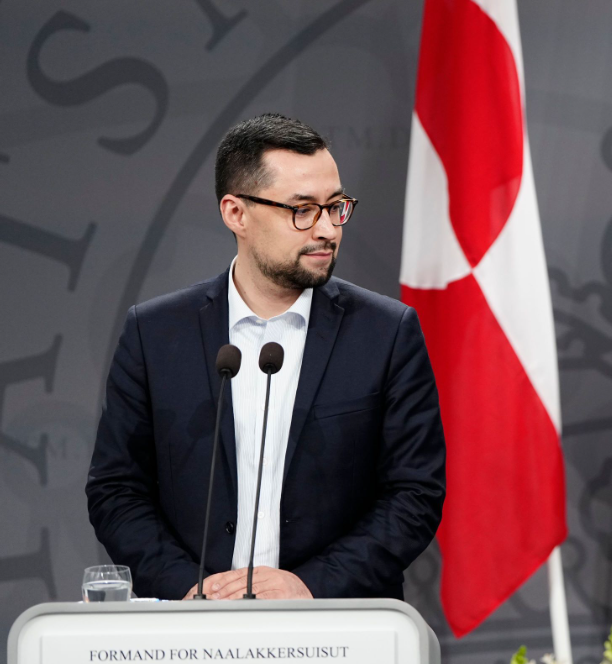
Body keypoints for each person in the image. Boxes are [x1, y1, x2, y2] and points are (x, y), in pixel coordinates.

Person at [86, 113, 446, 601]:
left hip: (337, 627)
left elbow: (414, 494)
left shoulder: (386, 333)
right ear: (236, 213)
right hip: (193, 631)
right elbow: (116, 490)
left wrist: (309, 585)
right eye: (302, 209)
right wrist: (190, 589)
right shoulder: (154, 334)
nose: (327, 229)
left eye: (335, 206)